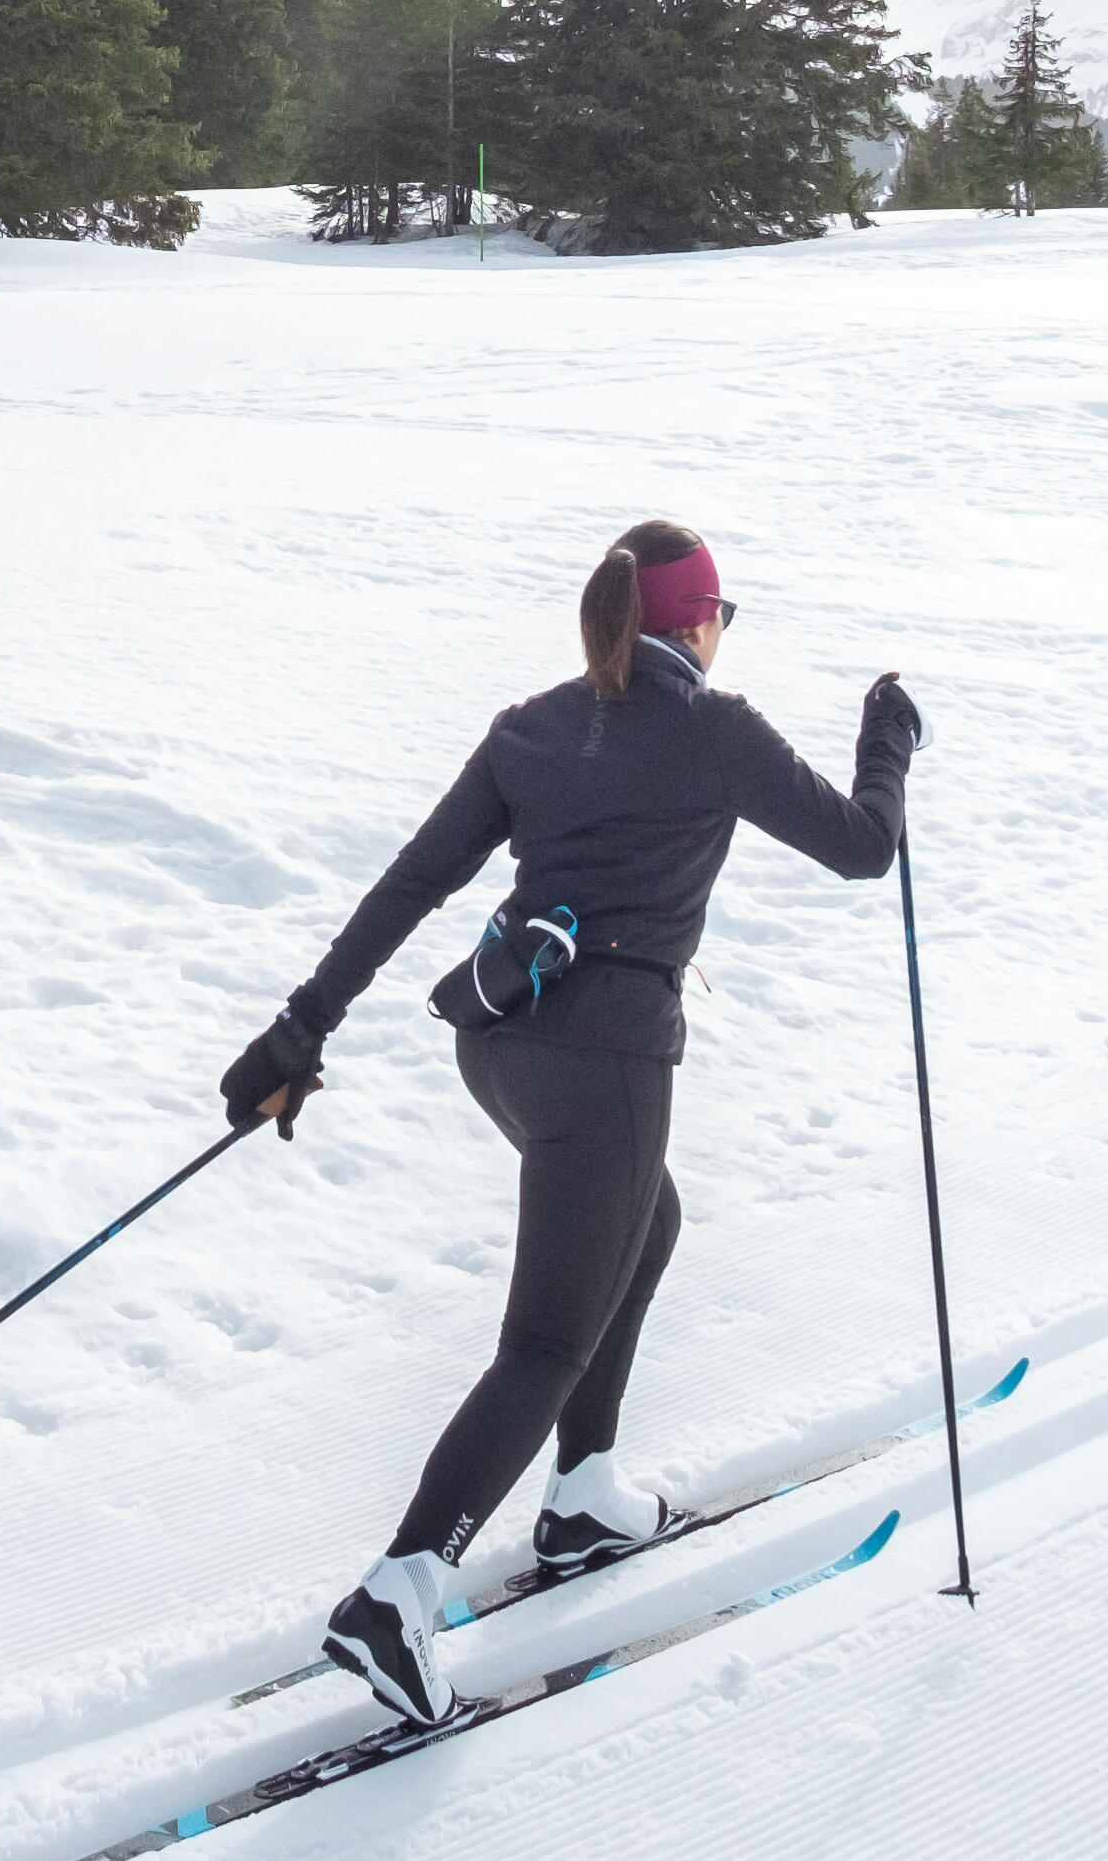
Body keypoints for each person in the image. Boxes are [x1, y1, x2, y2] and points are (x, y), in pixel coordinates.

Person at [218, 518, 921, 1725]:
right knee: (545, 1339)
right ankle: (403, 1588)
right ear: (695, 622)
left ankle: (584, 1492)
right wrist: (887, 744)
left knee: (645, 1229)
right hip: (605, 1067)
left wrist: (302, 1028)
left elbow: (412, 882)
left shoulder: (532, 724)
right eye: (722, 615)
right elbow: (862, 849)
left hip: (498, 1049)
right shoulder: (714, 729)